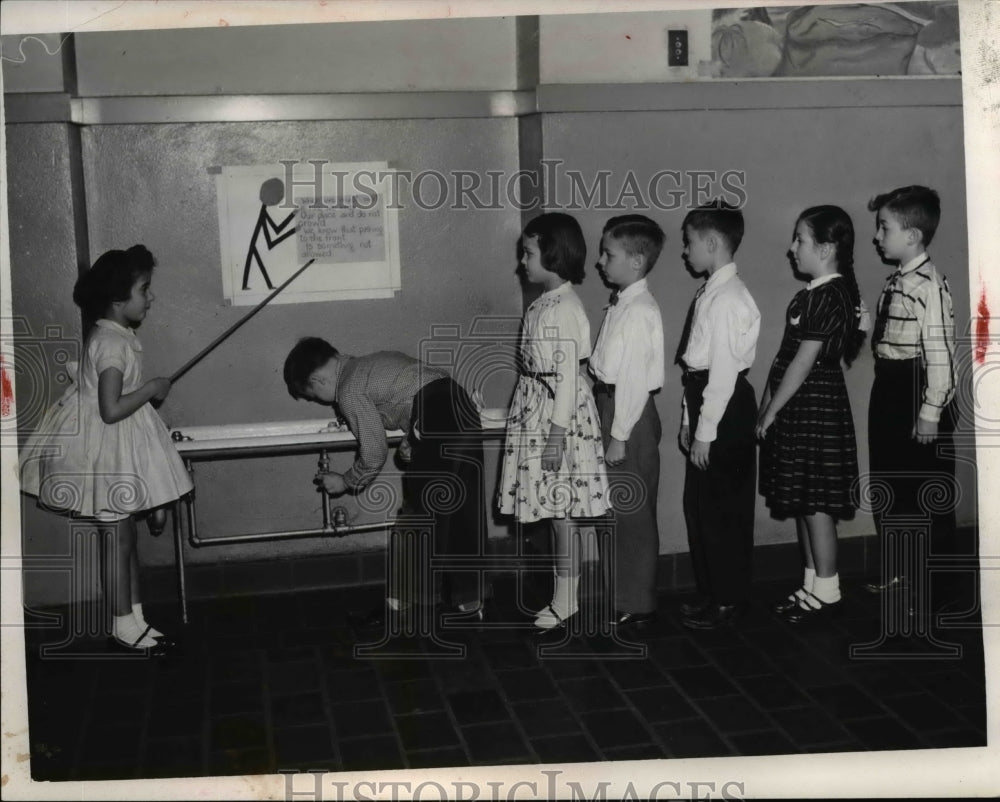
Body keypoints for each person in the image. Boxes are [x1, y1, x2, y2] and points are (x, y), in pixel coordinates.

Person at [20, 245, 193, 652]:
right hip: (105, 454)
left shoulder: (113, 334)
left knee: (123, 539)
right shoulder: (112, 344)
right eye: (144, 289)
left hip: (114, 453)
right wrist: (152, 389)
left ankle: (134, 618)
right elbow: (112, 409)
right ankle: (123, 625)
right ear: (118, 298)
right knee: (118, 541)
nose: (151, 298)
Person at [283, 338, 487, 624]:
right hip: (460, 402)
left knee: (418, 514)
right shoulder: (372, 362)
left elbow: (374, 450)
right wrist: (412, 439)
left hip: (434, 415)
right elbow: (419, 391)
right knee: (462, 508)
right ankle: (470, 600)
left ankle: (400, 606)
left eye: (313, 395)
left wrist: (346, 480)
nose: (318, 400)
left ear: (317, 380)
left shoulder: (348, 390)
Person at [497, 212, 611, 631]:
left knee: (561, 511)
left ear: (552, 254)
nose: (522, 262)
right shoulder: (546, 302)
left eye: (528, 253)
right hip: (539, 407)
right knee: (553, 511)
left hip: (555, 420)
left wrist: (554, 439)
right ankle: (563, 596)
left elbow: (566, 381)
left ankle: (568, 601)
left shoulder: (562, 308)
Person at [756, 206, 868, 622]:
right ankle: (810, 583)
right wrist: (767, 403)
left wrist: (772, 410)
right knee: (804, 496)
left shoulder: (830, 295)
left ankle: (828, 590)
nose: (792, 248)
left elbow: (804, 361)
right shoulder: (809, 294)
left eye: (799, 240)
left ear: (824, 248)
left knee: (817, 500)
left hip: (815, 405)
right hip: (798, 406)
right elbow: (784, 358)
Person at [865, 185, 958, 605]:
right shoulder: (897, 281)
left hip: (916, 390)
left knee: (925, 489)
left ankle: (934, 589)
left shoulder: (929, 285)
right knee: (890, 483)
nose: (877, 236)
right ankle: (901, 573)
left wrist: (930, 410)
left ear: (913, 236)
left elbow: (939, 350)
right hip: (889, 387)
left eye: (884, 228)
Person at [676, 201, 760, 630]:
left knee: (724, 509)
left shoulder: (728, 298)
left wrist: (706, 431)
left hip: (724, 407)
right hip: (707, 401)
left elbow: (723, 373)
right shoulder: (712, 290)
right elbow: (697, 367)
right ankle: (712, 592)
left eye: (689, 242)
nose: (685, 251)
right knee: (701, 507)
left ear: (711, 243)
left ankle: (730, 599)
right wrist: (690, 424)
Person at [590, 214, 666, 632]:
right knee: (616, 510)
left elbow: (635, 381)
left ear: (636, 261)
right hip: (612, 407)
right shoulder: (625, 302)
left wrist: (618, 437)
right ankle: (623, 595)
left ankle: (638, 603)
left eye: (609, 253)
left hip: (628, 414)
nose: (601, 261)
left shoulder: (638, 311)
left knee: (631, 510)